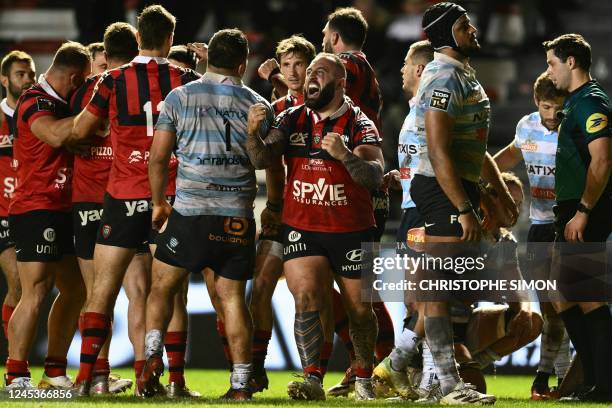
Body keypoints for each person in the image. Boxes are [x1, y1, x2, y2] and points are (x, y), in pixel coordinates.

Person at [70, 5, 199, 395]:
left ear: (138, 38)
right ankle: (174, 382)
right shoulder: (187, 80)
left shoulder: (110, 80)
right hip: (174, 197)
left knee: (103, 289)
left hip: (124, 194)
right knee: (171, 292)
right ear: (171, 40)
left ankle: (84, 379)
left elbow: (80, 130)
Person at [139, 28, 273, 401]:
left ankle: (151, 357)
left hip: (191, 211)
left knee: (161, 288)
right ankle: (241, 383)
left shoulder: (179, 97)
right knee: (232, 300)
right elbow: (264, 162)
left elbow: (158, 157)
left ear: (209, 57)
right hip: (237, 215)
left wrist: (158, 202)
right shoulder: (258, 103)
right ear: (242, 63)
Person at [247, 52, 384, 401]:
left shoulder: (358, 123)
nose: (310, 77)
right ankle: (311, 379)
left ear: (339, 83)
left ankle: (364, 378)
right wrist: (253, 133)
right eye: (310, 72)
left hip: (351, 229)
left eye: (320, 73)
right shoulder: (292, 117)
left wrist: (345, 155)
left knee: (358, 309)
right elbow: (263, 158)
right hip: (303, 226)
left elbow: (374, 176)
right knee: (306, 297)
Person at [410, 2, 518, 404]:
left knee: (439, 284)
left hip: (457, 188)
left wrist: (497, 191)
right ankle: (446, 384)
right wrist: (462, 207)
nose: (472, 29)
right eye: (463, 25)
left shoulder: (461, 74)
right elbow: (438, 151)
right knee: (437, 285)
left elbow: (474, 146)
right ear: (444, 34)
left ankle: (432, 378)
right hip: (442, 190)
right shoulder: (441, 77)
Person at [5, 42, 90, 390]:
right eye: (82, 82)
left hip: (63, 208)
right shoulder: (34, 100)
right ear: (73, 76)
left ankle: (54, 371)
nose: (83, 88)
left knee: (74, 289)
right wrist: (93, 112)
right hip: (36, 207)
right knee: (35, 291)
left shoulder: (59, 103)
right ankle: (15, 375)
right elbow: (54, 135)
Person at [319, 8, 395, 396]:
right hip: (356, 185)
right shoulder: (366, 67)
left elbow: (318, 101)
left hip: (354, 185)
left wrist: (277, 79)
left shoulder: (347, 64)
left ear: (335, 38)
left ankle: (381, 356)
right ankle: (367, 358)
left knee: (353, 285)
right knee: (333, 280)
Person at [71, 22, 144, 396]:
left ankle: (94, 376)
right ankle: (143, 377)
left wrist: (74, 144)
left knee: (97, 292)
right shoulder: (136, 83)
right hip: (124, 195)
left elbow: (69, 132)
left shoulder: (87, 89)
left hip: (92, 200)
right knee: (138, 291)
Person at [493, 72, 571, 400]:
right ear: (537, 103)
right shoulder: (527, 126)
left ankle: (559, 378)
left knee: (565, 304)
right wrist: (485, 179)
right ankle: (548, 380)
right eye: (547, 107)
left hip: (567, 223)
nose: (552, 115)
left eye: (559, 108)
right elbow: (512, 153)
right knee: (552, 309)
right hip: (538, 227)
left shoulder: (575, 130)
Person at [543, 33, 612, 402]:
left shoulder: (591, 102)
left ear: (571, 62)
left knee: (587, 295)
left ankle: (602, 386)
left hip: (588, 208)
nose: (548, 71)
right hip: (572, 208)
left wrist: (584, 211)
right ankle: (593, 379)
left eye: (552, 63)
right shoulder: (575, 103)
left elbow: (603, 158)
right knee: (562, 292)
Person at [249, 34, 316, 392]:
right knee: (260, 286)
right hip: (284, 213)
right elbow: (271, 165)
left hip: (322, 215)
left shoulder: (330, 105)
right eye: (286, 64)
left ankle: (355, 368)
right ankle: (257, 366)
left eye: (299, 64)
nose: (293, 71)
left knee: (333, 297)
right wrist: (273, 206)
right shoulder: (275, 109)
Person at [370, 39, 433, 400]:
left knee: (427, 295)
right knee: (413, 299)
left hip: (425, 212)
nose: (402, 71)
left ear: (421, 70)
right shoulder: (412, 111)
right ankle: (417, 375)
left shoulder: (429, 111)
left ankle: (404, 364)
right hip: (410, 209)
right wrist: (402, 176)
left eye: (407, 65)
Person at [0, 51, 34, 354]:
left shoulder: (39, 115)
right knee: (19, 284)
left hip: (33, 210)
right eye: (20, 75)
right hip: (3, 215)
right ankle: (16, 363)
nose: (26, 80)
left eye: (30, 75)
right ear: (4, 79)